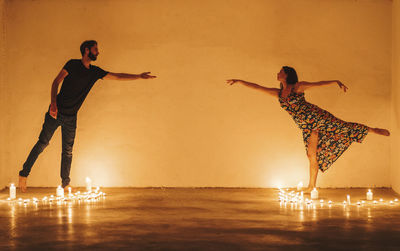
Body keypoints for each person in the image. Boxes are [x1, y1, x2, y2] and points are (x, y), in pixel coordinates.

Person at [18, 40, 156, 192]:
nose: (98, 52)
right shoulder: (72, 65)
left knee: (68, 151)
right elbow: (55, 83)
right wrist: (53, 104)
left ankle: (65, 184)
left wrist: (138, 76)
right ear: (86, 50)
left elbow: (117, 76)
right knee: (42, 143)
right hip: (55, 113)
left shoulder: (94, 72)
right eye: (95, 49)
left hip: (71, 117)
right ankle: (24, 174)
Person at [227, 66, 389, 193]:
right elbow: (257, 87)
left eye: (281, 72)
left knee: (343, 127)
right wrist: (240, 81)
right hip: (306, 127)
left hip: (318, 117)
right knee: (311, 155)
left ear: (287, 75)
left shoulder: (297, 87)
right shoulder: (278, 93)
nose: (278, 73)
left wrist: (335, 81)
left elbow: (317, 84)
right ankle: (311, 186)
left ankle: (372, 130)